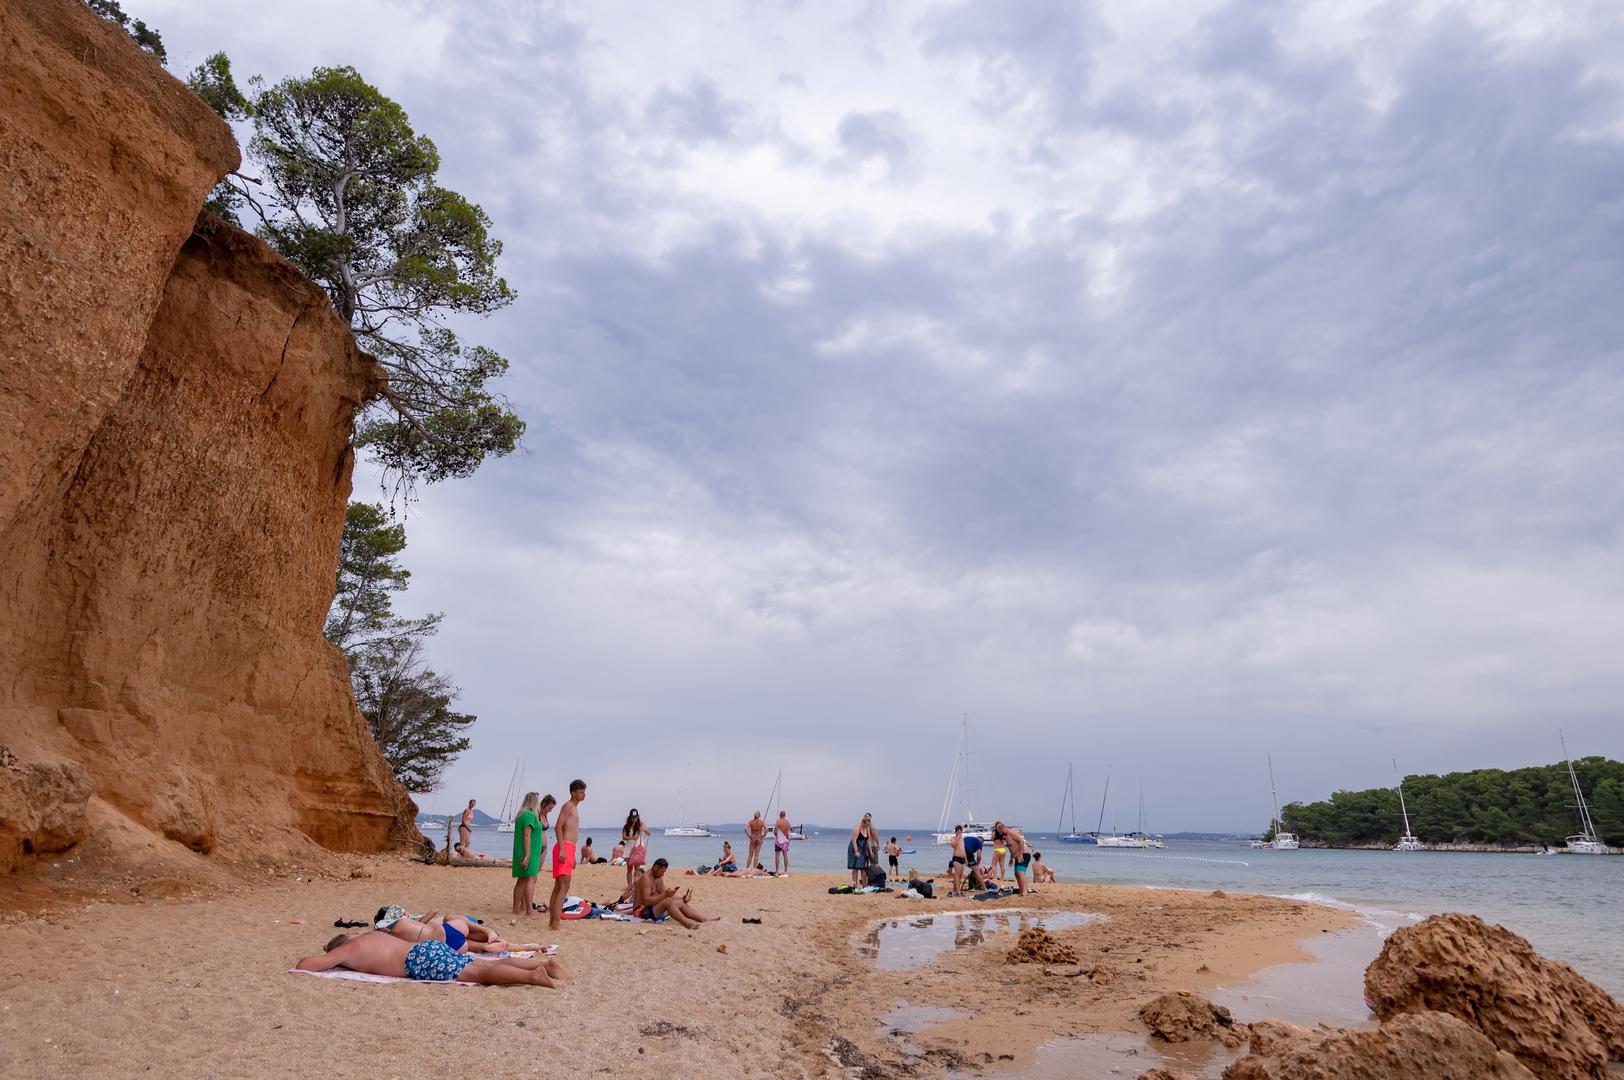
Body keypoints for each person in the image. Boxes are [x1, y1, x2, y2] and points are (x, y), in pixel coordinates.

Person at [297, 931, 565, 987]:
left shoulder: (349, 950)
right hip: (428, 948)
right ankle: (541, 965)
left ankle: (533, 976)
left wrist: (332, 957)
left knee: (480, 975)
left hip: (419, 960)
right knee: (485, 964)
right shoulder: (371, 935)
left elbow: (306, 965)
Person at [373, 905, 541, 955]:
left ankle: (524, 947)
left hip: (452, 947)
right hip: (448, 931)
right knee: (451, 917)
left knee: (474, 944)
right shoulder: (403, 923)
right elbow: (434, 911)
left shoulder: (395, 935)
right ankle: (488, 931)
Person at [548, 779, 586, 931]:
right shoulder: (568, 806)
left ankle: (553, 921)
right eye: (581, 792)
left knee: (560, 886)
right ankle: (555, 922)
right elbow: (558, 826)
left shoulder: (574, 808)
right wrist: (563, 849)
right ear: (573, 793)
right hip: (564, 847)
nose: (584, 794)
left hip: (570, 848)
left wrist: (573, 855)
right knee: (562, 886)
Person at [632, 858, 712, 928]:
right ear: (655, 867)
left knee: (681, 902)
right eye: (662, 872)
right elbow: (646, 901)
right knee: (668, 901)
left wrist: (682, 898)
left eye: (664, 872)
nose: (663, 874)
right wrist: (665, 895)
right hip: (641, 912)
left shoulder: (658, 878)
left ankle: (702, 919)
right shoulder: (646, 879)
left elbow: (665, 896)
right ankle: (686, 923)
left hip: (654, 909)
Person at [510, 792, 552, 916]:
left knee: (522, 880)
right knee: (530, 879)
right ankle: (528, 910)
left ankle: (516, 908)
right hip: (530, 853)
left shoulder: (521, 815)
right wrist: (528, 855)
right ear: (533, 802)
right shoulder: (529, 815)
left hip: (523, 852)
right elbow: (527, 835)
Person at [994, 821, 1032, 895]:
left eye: (1000, 832)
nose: (1000, 834)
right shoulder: (1006, 835)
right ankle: (1021, 891)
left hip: (1024, 854)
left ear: (1002, 829)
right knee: (1017, 873)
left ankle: (1025, 891)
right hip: (1017, 856)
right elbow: (1012, 847)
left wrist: (1020, 855)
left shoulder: (1011, 833)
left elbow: (1021, 841)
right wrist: (1011, 858)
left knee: (1021, 872)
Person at [622, 808, 651, 890]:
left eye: (635, 817)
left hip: (638, 850)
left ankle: (637, 885)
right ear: (630, 817)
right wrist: (632, 837)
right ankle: (629, 886)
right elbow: (624, 837)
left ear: (638, 817)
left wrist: (644, 829)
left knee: (637, 869)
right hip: (629, 849)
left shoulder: (641, 824)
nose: (634, 819)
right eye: (632, 817)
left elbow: (649, 833)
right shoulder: (626, 826)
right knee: (629, 868)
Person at [848, 813, 874, 888]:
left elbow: (868, 840)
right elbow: (854, 840)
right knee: (855, 867)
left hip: (862, 849)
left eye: (869, 823)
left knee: (863, 867)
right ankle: (854, 885)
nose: (868, 825)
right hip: (853, 848)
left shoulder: (867, 828)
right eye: (867, 823)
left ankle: (864, 885)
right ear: (864, 822)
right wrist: (856, 851)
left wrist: (871, 851)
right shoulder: (857, 828)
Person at [948, 825, 969, 896]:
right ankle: (958, 891)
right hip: (956, 858)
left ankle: (955, 890)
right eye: (958, 832)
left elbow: (964, 849)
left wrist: (966, 859)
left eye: (961, 832)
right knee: (956, 875)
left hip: (962, 858)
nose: (960, 833)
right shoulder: (953, 838)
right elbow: (953, 845)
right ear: (956, 832)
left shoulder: (962, 839)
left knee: (960, 875)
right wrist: (958, 837)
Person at [773, 811, 792, 876]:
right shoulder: (788, 823)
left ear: (780, 815)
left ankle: (777, 870)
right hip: (785, 841)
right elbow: (789, 831)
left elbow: (775, 831)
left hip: (778, 841)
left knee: (777, 855)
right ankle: (786, 870)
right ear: (785, 815)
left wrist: (776, 835)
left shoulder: (778, 822)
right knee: (785, 855)